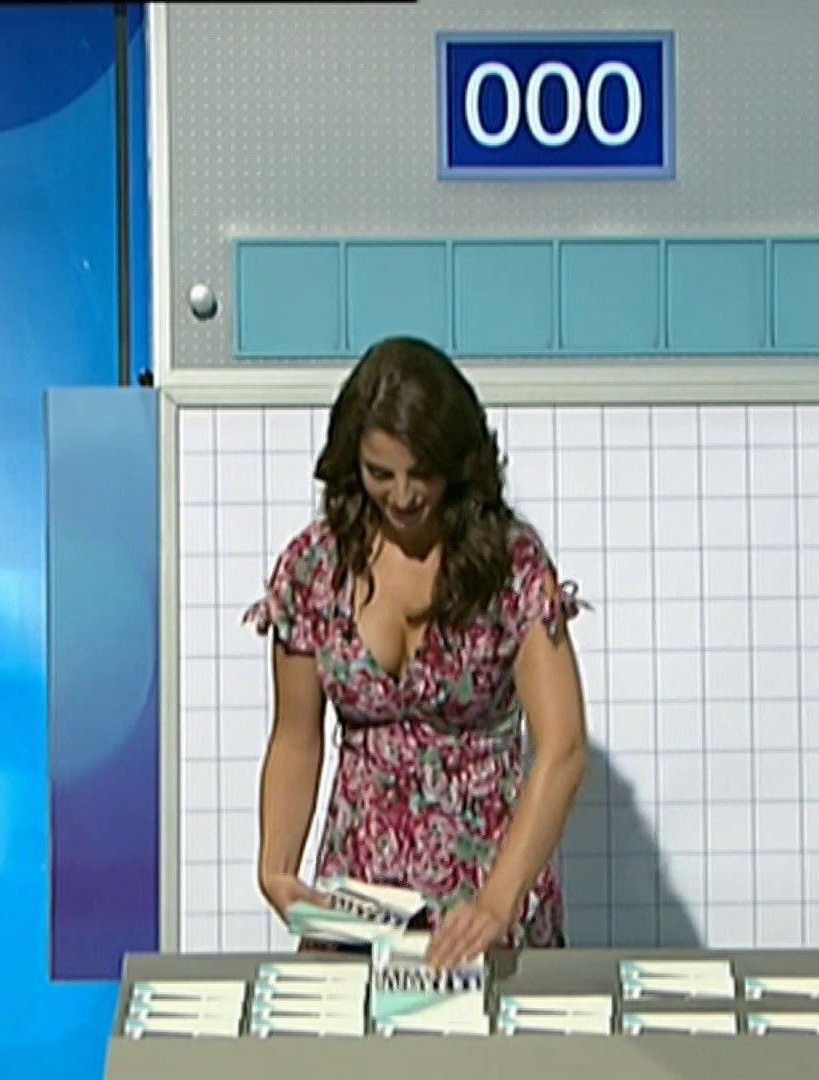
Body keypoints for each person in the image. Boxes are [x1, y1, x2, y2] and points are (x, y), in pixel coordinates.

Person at [245, 336, 589, 970]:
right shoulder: (314, 568)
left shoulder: (510, 564)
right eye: (380, 474)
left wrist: (497, 902)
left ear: (456, 463)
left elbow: (563, 747)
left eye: (420, 473)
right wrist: (276, 866)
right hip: (359, 902)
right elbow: (296, 735)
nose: (402, 496)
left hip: (488, 897)